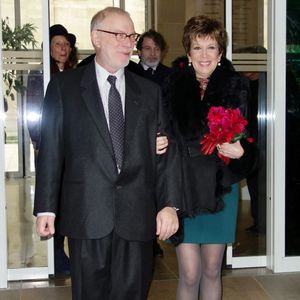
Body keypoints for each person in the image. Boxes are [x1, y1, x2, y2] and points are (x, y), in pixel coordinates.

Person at [34, 7, 180, 300]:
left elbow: (164, 152)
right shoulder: (65, 87)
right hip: (87, 215)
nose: (129, 43)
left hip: (137, 216)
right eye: (119, 35)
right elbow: (51, 149)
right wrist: (46, 206)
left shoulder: (148, 91)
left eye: (131, 36)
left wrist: (169, 205)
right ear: (95, 38)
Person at [161, 16, 257, 299]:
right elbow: (160, 131)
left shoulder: (236, 85)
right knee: (190, 272)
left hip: (219, 187)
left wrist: (242, 151)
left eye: (211, 47)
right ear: (188, 53)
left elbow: (247, 138)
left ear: (221, 52)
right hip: (182, 187)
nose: (204, 54)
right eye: (197, 47)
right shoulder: (171, 85)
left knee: (213, 269)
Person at [27, 24, 78, 276]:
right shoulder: (39, 76)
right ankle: (56, 255)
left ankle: (63, 251)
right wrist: (42, 144)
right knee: (52, 199)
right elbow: (34, 115)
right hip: (50, 149)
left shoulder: (75, 75)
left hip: (74, 151)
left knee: (68, 199)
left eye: (66, 45)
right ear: (48, 48)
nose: (63, 49)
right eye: (58, 44)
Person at [135, 29, 172, 257]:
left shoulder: (171, 76)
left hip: (164, 142)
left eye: (157, 48)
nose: (152, 52)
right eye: (147, 48)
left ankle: (154, 238)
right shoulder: (128, 73)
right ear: (139, 51)